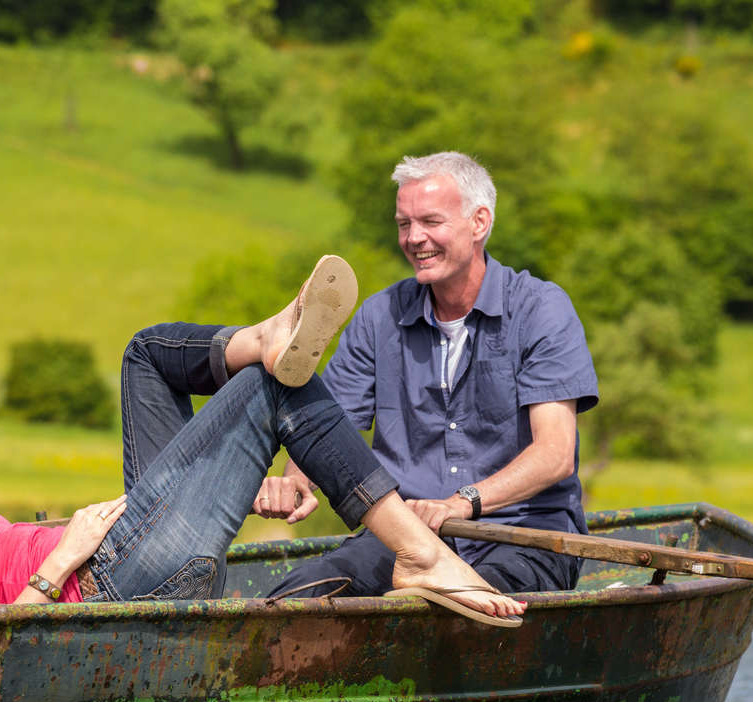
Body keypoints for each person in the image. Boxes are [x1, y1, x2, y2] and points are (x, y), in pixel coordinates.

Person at [0, 255, 526, 626]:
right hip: (105, 585)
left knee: (147, 355)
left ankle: (267, 334)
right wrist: (59, 559)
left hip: (123, 545)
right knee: (274, 395)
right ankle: (418, 552)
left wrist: (230, 487)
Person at [129, 151, 598, 600]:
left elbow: (555, 455)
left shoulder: (540, 308)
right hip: (408, 539)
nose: (414, 238)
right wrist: (295, 481)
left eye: (431, 222)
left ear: (480, 222)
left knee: (466, 611)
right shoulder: (380, 317)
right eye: (404, 224)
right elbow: (322, 423)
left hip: (522, 536)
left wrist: (461, 502)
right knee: (295, 599)